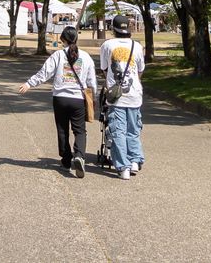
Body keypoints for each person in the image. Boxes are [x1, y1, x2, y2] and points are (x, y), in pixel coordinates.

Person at [16, 26, 97, 177]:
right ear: (76, 39)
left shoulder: (58, 55)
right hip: (78, 98)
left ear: (63, 40)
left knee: (62, 129)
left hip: (60, 98)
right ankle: (79, 155)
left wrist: (29, 84)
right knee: (80, 130)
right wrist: (94, 97)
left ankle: (66, 161)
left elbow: (44, 73)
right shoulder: (86, 57)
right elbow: (92, 81)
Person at [100, 14, 146, 180]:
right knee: (133, 130)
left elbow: (105, 69)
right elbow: (140, 70)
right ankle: (135, 160)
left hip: (116, 96)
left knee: (118, 131)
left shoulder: (107, 45)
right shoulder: (137, 46)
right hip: (135, 94)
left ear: (113, 29)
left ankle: (123, 166)